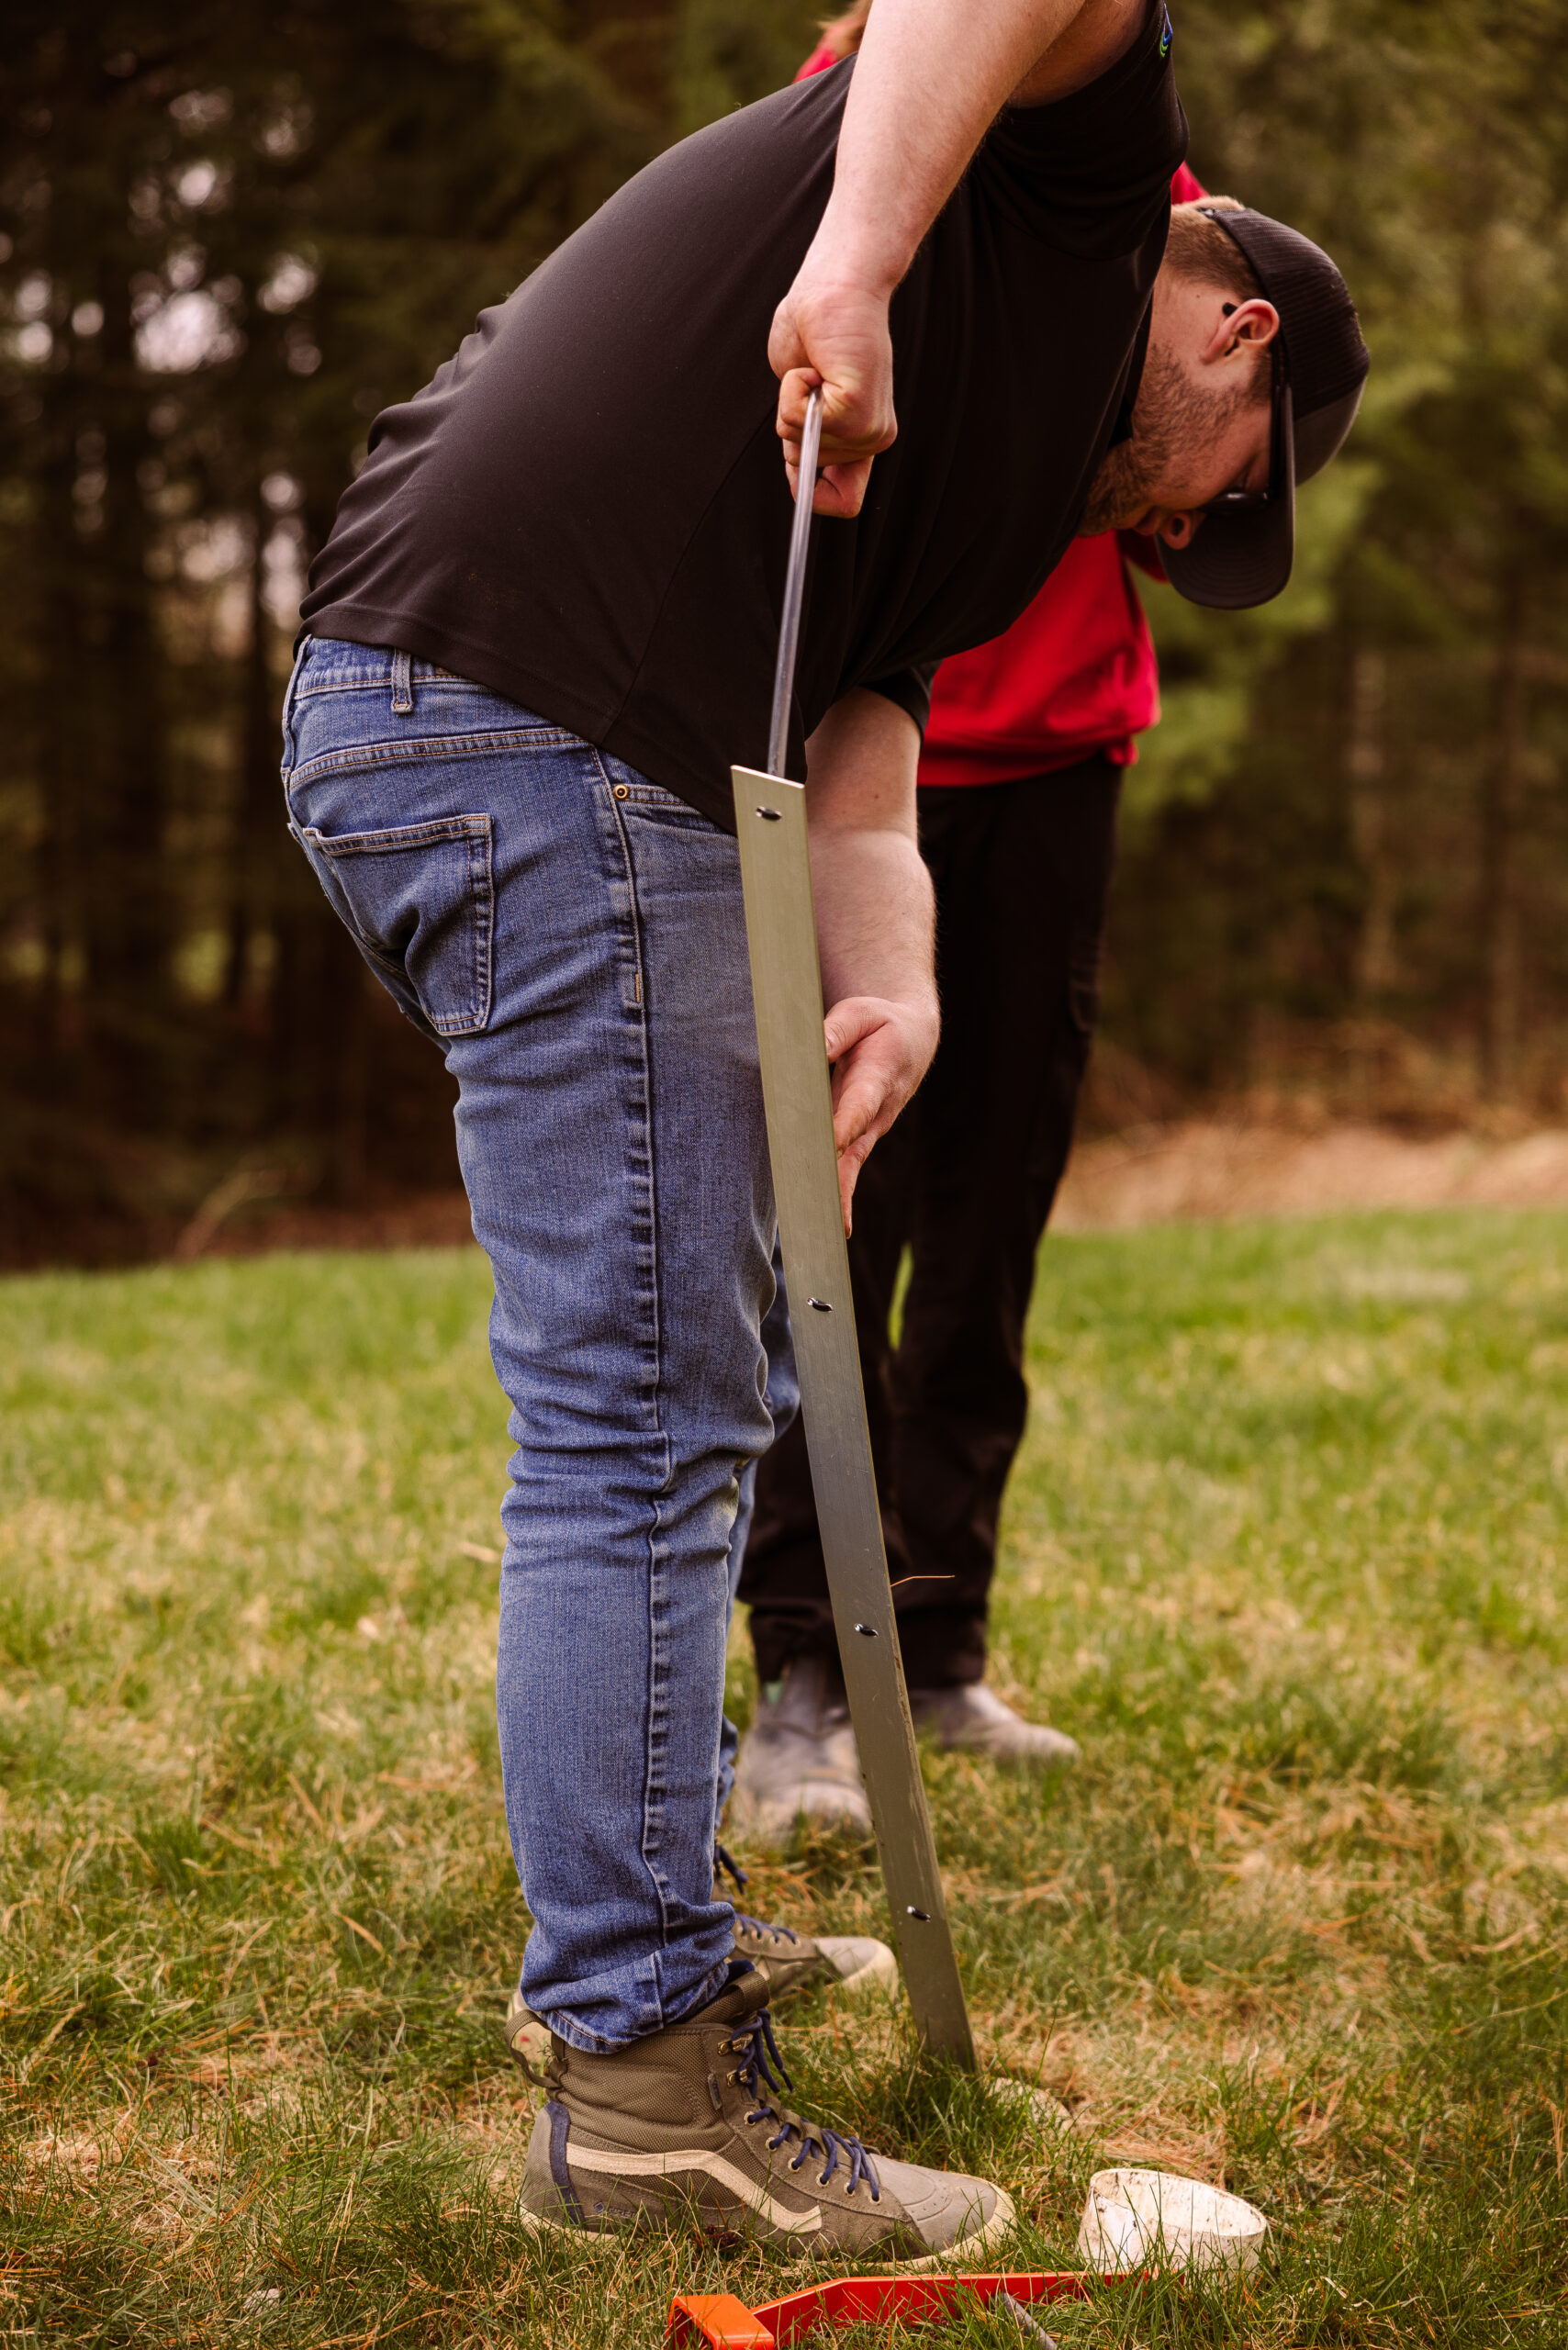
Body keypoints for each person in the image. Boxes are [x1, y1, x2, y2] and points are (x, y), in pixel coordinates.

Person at [284, 0, 1367, 2255]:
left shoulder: (989, 503)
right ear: (1235, 328)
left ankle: (644, 1940)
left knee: (695, 1376)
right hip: (536, 721)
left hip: (498, 728)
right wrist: (860, 255)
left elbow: (861, 719)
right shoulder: (1055, 203)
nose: (1177, 531)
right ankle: (644, 2073)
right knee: (640, 1416)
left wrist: (895, 973)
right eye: (1223, 488)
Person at [731, 2, 1206, 1840]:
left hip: (1059, 750)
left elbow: (1174, 423)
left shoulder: (1133, 166)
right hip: (871, 750)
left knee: (989, 1226)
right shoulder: (840, 124)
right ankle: (801, 1668)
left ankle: (936, 1648)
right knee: (839, 1217)